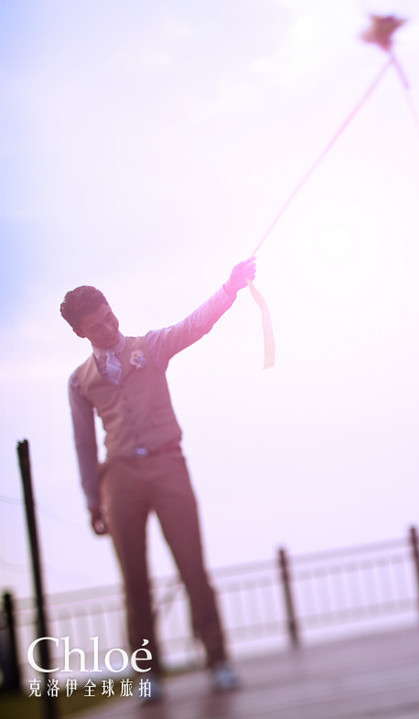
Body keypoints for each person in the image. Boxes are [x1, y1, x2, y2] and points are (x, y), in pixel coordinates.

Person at [60, 258, 256, 698]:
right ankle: (147, 674)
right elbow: (84, 444)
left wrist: (230, 288)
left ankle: (218, 661)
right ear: (80, 332)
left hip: (169, 466)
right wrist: (93, 500)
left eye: (109, 316)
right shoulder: (79, 382)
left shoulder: (150, 346)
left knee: (193, 567)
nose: (108, 328)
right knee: (134, 580)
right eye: (96, 326)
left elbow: (194, 325)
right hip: (120, 478)